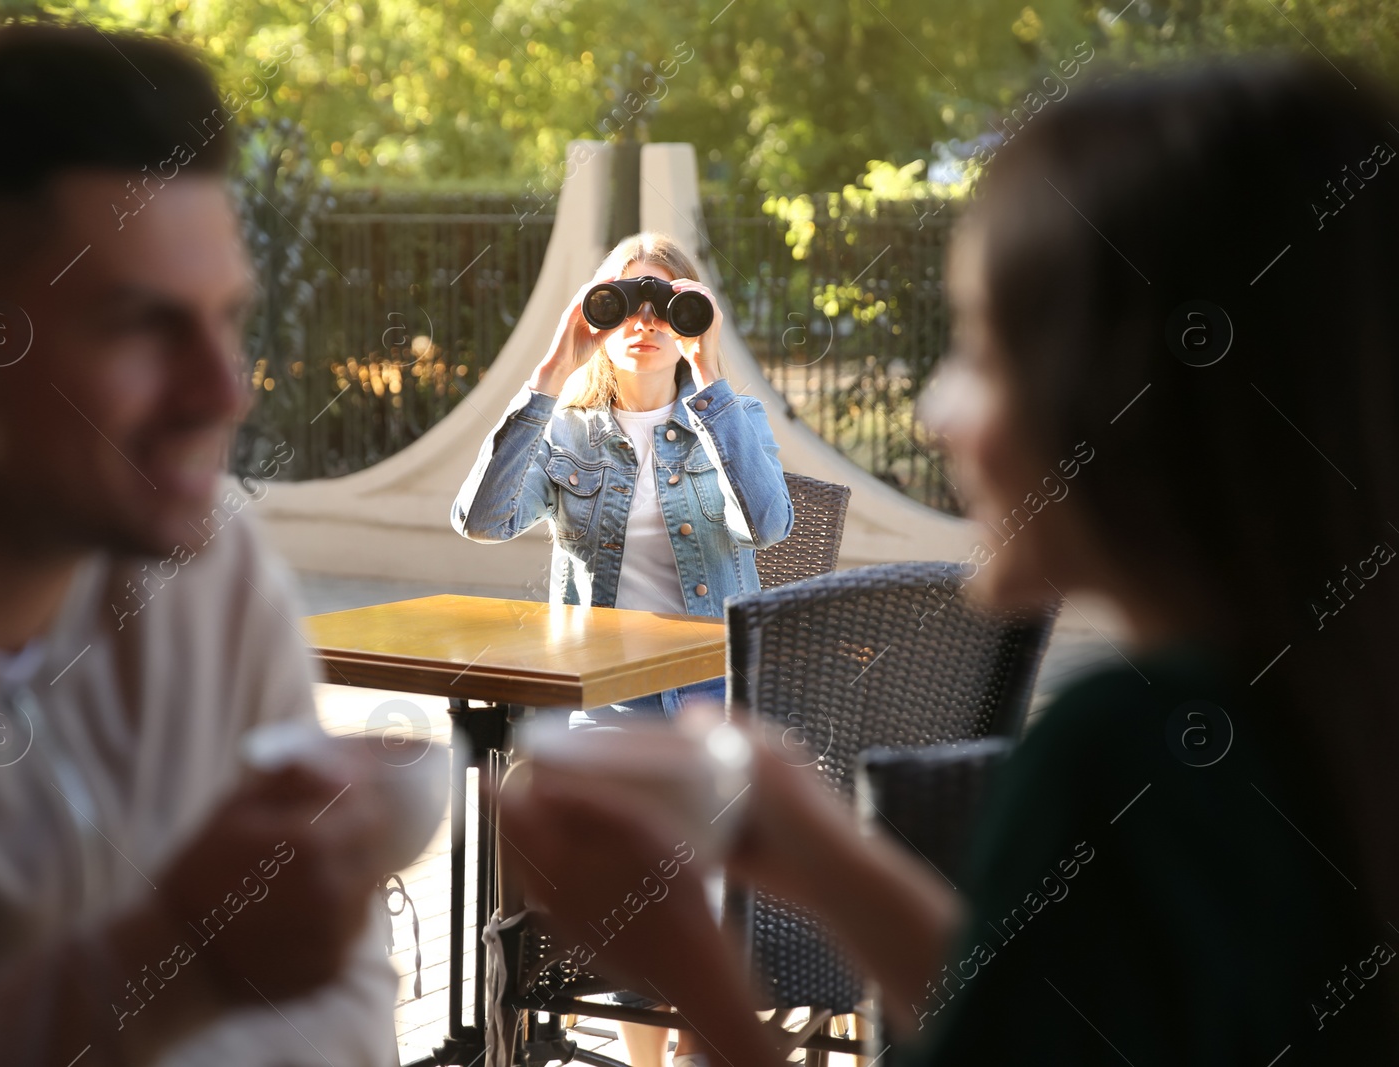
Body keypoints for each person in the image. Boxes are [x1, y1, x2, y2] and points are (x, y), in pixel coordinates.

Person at [498, 57, 1399, 1065]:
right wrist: (827, 853)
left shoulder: (1122, 751)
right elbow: (1056, 1020)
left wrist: (690, 967)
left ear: (1122, 399)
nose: (933, 413)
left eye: (977, 350)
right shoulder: (1310, 723)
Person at [0, 24, 402, 1066]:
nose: (224, 392)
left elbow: (345, 1003)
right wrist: (170, 964)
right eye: (136, 323)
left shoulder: (215, 561)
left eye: (226, 319)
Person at [451, 231, 793, 724]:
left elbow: (767, 526)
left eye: (666, 304)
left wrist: (708, 371)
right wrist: (552, 371)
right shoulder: (565, 431)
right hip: (601, 693)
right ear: (598, 315)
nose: (646, 322)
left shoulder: (736, 418)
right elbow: (482, 522)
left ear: (691, 318)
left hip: (717, 692)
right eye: (626, 303)